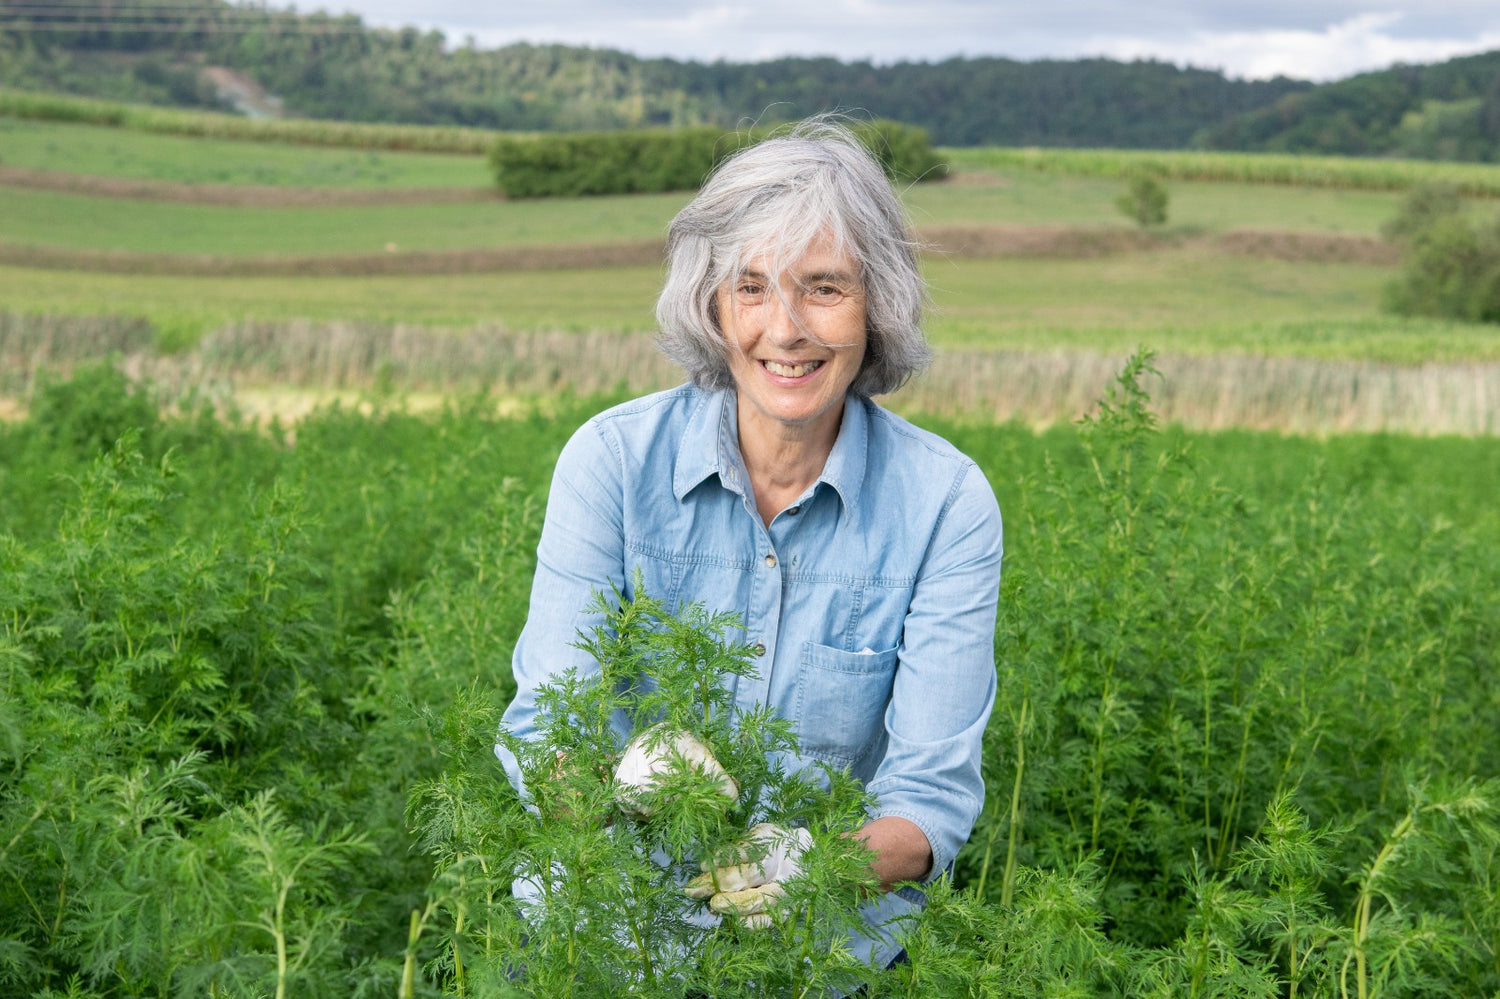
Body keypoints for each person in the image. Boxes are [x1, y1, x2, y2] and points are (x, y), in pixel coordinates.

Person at [497, 119, 1002, 970]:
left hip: (819, 963)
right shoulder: (613, 463)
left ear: (877, 305)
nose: (786, 326)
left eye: (825, 288)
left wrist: (813, 865)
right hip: (612, 942)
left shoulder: (945, 503)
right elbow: (545, 728)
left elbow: (929, 804)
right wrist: (614, 786)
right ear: (711, 305)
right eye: (753, 287)